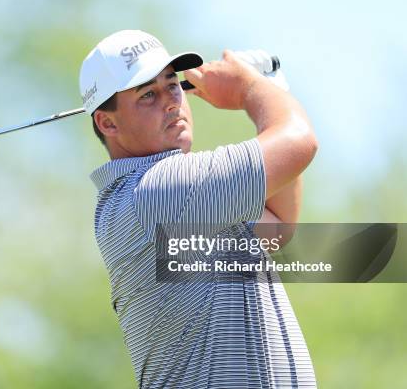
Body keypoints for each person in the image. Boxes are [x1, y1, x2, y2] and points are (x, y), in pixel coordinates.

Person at [80, 29, 318, 388]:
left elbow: (278, 226)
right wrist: (249, 90)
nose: (171, 101)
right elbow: (299, 141)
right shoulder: (156, 191)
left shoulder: (157, 198)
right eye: (147, 94)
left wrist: (272, 88)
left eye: (172, 84)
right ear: (108, 122)